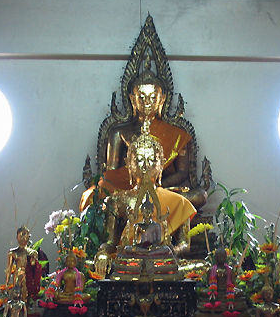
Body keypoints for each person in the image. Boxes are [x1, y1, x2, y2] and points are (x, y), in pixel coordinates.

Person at [80, 70, 198, 211]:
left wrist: (156, 187)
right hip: (127, 192)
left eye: (153, 98)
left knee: (199, 195)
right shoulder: (119, 132)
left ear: (162, 99)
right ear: (132, 98)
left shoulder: (177, 134)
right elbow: (112, 174)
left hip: (161, 190)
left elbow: (182, 173)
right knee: (92, 196)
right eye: (141, 98)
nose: (147, 103)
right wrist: (133, 189)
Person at [104, 129, 196, 255]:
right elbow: (110, 243)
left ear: (161, 164)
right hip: (129, 261)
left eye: (152, 159)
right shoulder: (117, 200)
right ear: (129, 164)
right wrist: (102, 254)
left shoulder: (179, 201)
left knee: (201, 266)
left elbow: (185, 244)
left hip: (162, 260)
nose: (145, 165)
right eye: (139, 159)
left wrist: (172, 251)